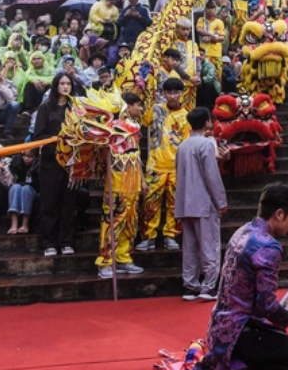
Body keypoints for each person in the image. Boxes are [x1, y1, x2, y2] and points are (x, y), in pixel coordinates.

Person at [204, 183, 288, 370]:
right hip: (242, 333)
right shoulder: (269, 246)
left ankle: (247, 364)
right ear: (279, 214)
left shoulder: (242, 231)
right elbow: (267, 306)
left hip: (220, 329)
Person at [175, 107, 229, 300]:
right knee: (209, 244)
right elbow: (211, 176)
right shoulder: (206, 144)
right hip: (203, 202)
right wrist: (221, 201)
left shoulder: (182, 146)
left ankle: (190, 285)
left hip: (184, 202)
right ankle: (209, 286)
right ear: (207, 122)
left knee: (190, 246)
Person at [96, 93, 147, 279]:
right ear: (128, 106)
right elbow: (102, 156)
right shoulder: (110, 129)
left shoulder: (134, 129)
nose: (140, 109)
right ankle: (105, 261)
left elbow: (137, 156)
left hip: (133, 183)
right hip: (116, 183)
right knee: (112, 223)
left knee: (130, 222)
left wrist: (142, 179)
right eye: (138, 105)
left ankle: (124, 258)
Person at [137, 78, 190, 252]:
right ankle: (148, 236)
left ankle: (171, 235)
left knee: (175, 203)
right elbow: (143, 121)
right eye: (169, 92)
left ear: (182, 93)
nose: (172, 96)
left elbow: (187, 144)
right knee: (150, 203)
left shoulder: (186, 116)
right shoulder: (156, 110)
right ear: (164, 94)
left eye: (176, 92)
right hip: (155, 165)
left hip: (176, 167)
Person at [33, 73, 78, 257]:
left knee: (68, 204)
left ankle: (66, 242)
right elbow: (38, 136)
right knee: (49, 204)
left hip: (71, 164)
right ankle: (49, 243)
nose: (66, 87)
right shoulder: (45, 108)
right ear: (55, 86)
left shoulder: (76, 108)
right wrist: (59, 140)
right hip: (50, 163)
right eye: (62, 83)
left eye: (68, 83)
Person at [7, 148, 39, 235]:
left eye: (30, 156)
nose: (26, 158)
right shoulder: (18, 164)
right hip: (18, 188)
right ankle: (14, 223)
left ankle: (25, 223)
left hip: (32, 190)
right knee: (15, 187)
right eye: (24, 156)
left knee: (26, 189)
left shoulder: (37, 166)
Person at [196, 0, 226, 77]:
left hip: (216, 53)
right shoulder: (201, 20)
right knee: (204, 76)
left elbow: (222, 37)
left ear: (215, 9)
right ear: (205, 9)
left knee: (217, 76)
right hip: (204, 54)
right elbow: (199, 30)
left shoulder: (219, 22)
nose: (210, 10)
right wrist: (212, 35)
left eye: (212, 8)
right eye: (208, 8)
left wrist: (212, 39)